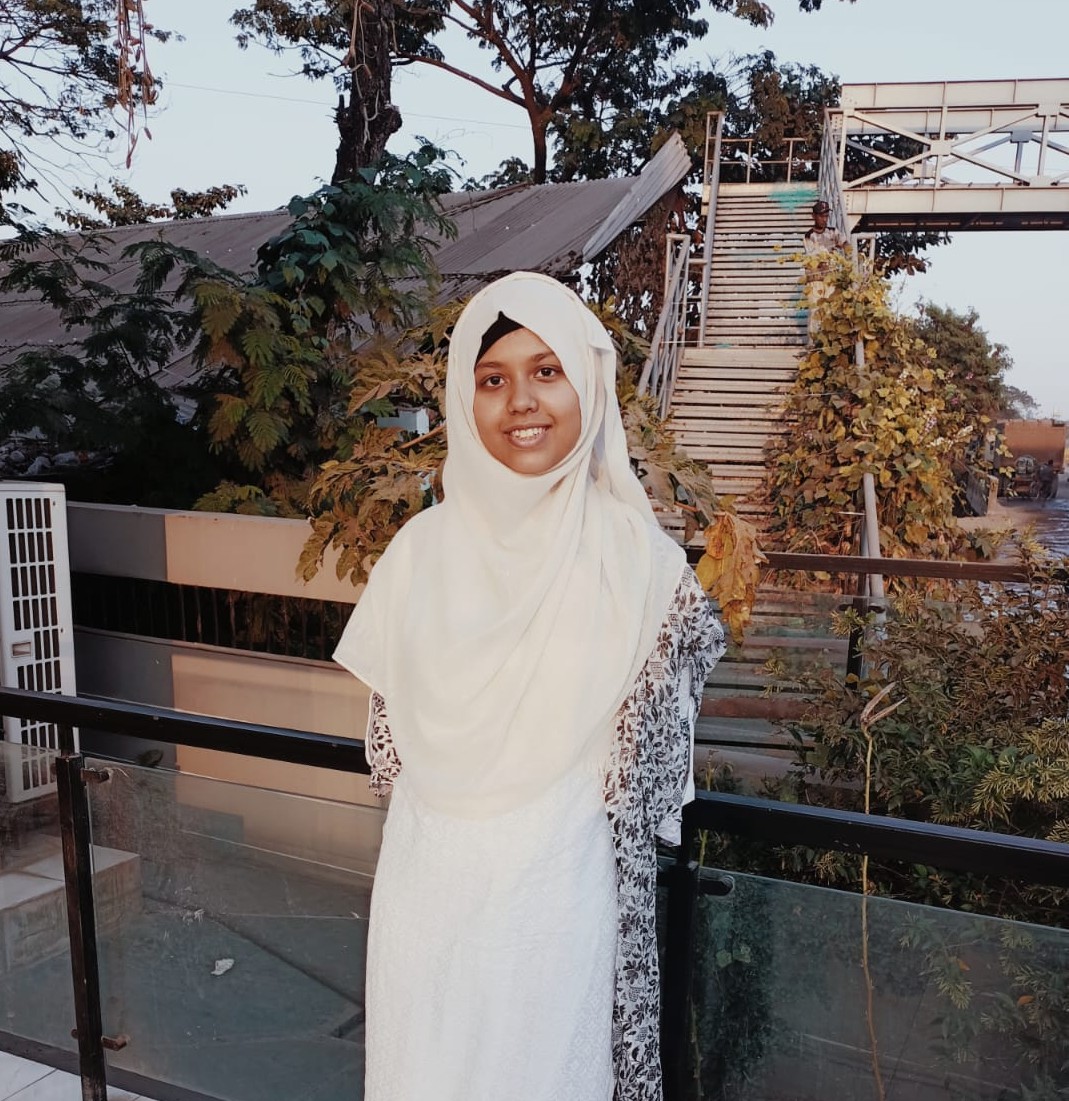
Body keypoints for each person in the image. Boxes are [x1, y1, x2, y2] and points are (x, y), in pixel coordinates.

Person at [333, 271, 726, 1101]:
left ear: (587, 384)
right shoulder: (417, 554)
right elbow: (394, 758)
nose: (520, 401)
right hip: (423, 911)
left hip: (555, 921)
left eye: (547, 371)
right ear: (463, 397)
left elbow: (655, 786)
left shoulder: (645, 570)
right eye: (492, 379)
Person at [802, 198, 849, 337]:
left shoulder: (833, 232)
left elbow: (846, 245)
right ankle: (813, 343)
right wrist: (830, 255)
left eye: (826, 216)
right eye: (821, 216)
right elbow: (814, 259)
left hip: (830, 278)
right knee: (815, 311)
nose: (824, 219)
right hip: (815, 279)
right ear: (814, 216)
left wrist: (848, 253)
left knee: (831, 311)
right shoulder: (809, 236)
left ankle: (828, 342)